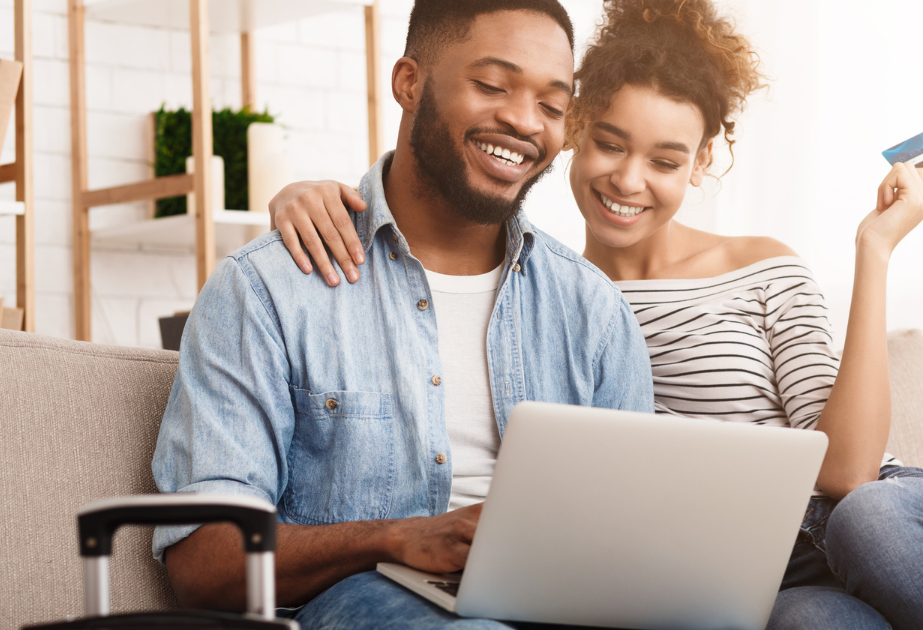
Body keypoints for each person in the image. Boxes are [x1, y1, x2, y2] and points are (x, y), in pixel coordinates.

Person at [272, 1, 923, 628]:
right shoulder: (550, 301)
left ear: (701, 164)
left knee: (868, 519)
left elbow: (852, 472)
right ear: (572, 132)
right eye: (609, 143)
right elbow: (435, 198)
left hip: (902, 527)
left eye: (665, 161)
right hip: (780, 579)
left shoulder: (759, 265)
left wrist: (875, 250)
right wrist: (305, 193)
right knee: (810, 623)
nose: (629, 180)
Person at [150, 1, 655, 629]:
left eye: (553, 106)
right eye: (493, 86)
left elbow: (635, 537)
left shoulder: (594, 311)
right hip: (359, 599)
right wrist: (397, 538)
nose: (525, 122)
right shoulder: (268, 288)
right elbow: (205, 563)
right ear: (409, 82)